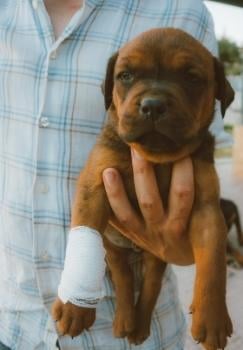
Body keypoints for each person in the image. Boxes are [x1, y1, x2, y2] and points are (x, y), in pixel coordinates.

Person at [0, 0, 228, 349]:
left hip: (137, 339)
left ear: (218, 95)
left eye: (189, 78)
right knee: (121, 263)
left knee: (151, 268)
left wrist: (196, 270)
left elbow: (199, 226)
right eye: (127, 76)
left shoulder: (182, 9)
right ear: (109, 91)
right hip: (12, 322)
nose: (152, 101)